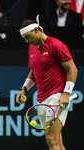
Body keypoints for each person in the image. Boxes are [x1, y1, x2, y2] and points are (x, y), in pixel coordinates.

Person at [16, 15, 78, 149]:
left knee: (51, 139)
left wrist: (66, 93)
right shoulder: (32, 47)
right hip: (41, 100)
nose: (26, 41)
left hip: (56, 97)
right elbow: (34, 71)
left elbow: (73, 69)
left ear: (36, 30)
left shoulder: (56, 45)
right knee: (56, 141)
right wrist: (24, 88)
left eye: (28, 37)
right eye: (24, 38)